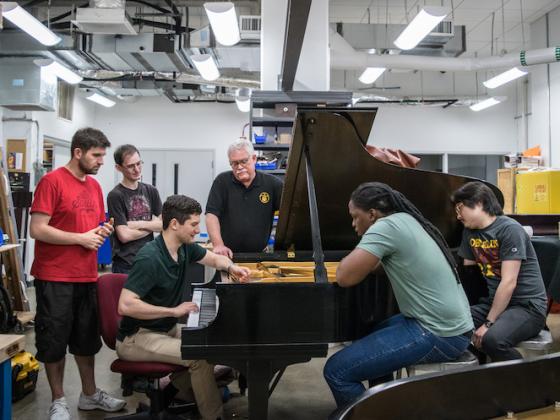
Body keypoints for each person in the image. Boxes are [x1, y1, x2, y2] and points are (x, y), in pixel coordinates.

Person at [323, 182, 474, 408]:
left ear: (372, 214)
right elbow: (387, 264)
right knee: (372, 334)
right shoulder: (406, 220)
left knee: (336, 370)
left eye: (356, 217)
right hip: (455, 326)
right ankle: (383, 406)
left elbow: (345, 277)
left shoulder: (384, 228)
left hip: (440, 333)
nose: (354, 224)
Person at [116, 194, 251, 420]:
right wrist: (173, 311)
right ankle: (213, 416)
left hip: (164, 329)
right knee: (198, 356)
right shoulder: (150, 257)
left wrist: (232, 268)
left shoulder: (184, 248)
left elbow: (216, 260)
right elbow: (125, 305)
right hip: (136, 337)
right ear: (175, 224)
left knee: (212, 344)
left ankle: (178, 392)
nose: (197, 230)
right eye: (194, 224)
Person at [30, 128, 126, 420]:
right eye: (96, 155)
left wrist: (101, 231)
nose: (100, 162)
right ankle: (58, 400)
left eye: (102, 156)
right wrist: (81, 239)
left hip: (86, 277)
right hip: (55, 276)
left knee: (86, 341)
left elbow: (92, 227)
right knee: (54, 341)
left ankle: (89, 394)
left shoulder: (94, 187)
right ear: (78, 152)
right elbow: (37, 228)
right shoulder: (52, 181)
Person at [452, 181, 547, 361]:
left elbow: (509, 282)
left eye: (460, 208)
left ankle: (529, 380)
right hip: (494, 302)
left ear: (479, 202)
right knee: (452, 325)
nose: (458, 216)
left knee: (493, 340)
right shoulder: (470, 233)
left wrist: (488, 323)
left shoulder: (510, 229)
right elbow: (468, 268)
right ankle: (484, 374)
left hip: (527, 307)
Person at [206, 139, 283, 257]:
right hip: (228, 255)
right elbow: (211, 215)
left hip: (260, 256)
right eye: (235, 163)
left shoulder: (273, 184)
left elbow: (289, 215)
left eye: (244, 161)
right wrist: (218, 245)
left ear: (254, 158)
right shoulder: (222, 182)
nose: (240, 167)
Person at [108, 144, 162, 274]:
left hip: (149, 260)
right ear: (118, 168)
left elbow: (164, 225)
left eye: (139, 163)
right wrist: (152, 227)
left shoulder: (151, 191)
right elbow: (124, 236)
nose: (137, 169)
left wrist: (138, 224)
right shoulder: (115, 195)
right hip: (125, 265)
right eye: (131, 166)